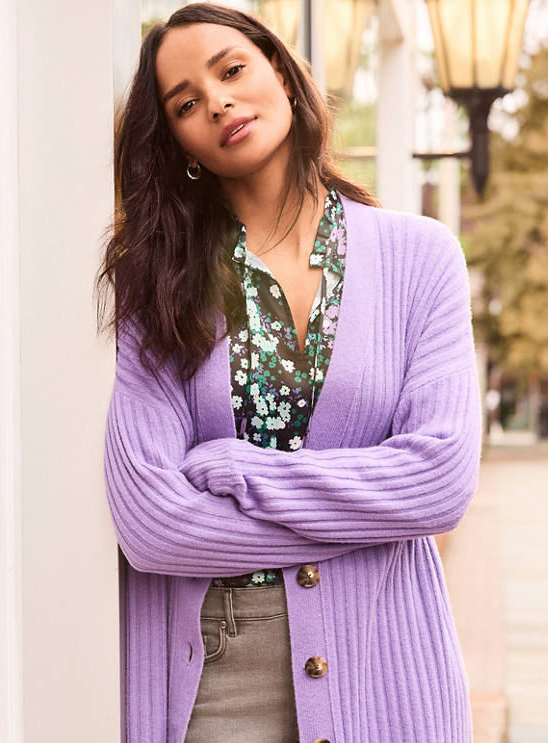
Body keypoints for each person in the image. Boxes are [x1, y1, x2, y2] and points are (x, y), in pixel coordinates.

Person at [96, 3, 482, 742]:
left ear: (281, 71)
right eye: (185, 103)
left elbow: (438, 481)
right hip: (213, 669)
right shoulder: (158, 281)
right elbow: (153, 525)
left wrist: (238, 469)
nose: (216, 101)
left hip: (382, 657)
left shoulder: (419, 258)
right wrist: (369, 512)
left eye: (231, 69)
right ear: (178, 141)